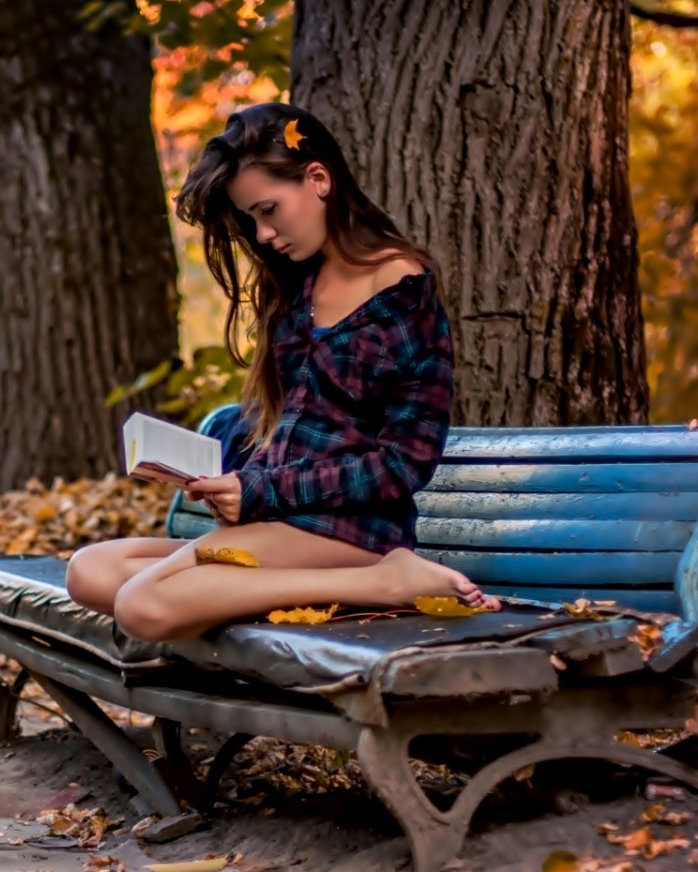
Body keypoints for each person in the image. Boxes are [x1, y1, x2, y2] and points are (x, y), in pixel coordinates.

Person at [66, 102, 500, 644]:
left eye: (268, 210)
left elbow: (401, 466)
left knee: (142, 604)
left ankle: (383, 582)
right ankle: (272, 594)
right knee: (90, 569)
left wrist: (262, 490)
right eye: (252, 219)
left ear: (318, 179)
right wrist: (218, 479)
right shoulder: (301, 287)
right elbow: (294, 431)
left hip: (353, 532)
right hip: (283, 526)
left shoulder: (401, 292)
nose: (263, 233)